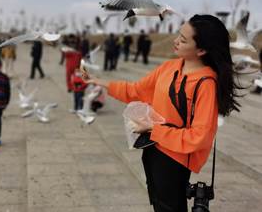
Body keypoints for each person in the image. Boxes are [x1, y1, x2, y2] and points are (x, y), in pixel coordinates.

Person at [82, 15, 242, 211]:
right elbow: (136, 90)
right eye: (178, 35)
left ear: (201, 50)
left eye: (183, 40)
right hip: (152, 148)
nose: (176, 41)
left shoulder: (206, 83)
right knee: (158, 204)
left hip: (175, 160)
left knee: (170, 207)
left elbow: (199, 137)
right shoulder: (169, 67)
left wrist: (153, 128)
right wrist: (100, 81)